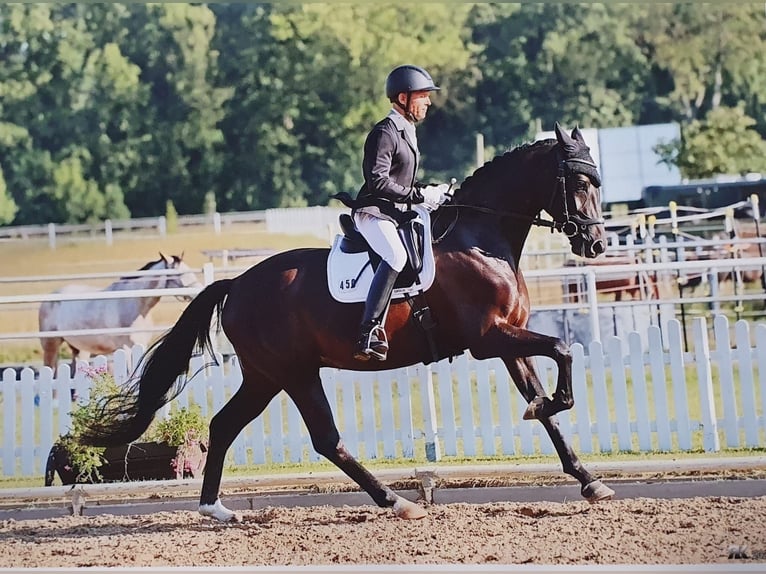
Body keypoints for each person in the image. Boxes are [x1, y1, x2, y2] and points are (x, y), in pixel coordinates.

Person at [351, 64, 451, 362]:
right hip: (373, 212)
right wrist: (418, 195)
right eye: (423, 95)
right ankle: (367, 333)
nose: (428, 102)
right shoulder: (385, 132)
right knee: (396, 255)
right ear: (403, 97)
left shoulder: (406, 131)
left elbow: (403, 180)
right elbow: (378, 181)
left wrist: (432, 191)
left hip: (393, 212)